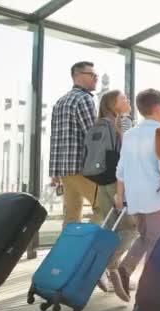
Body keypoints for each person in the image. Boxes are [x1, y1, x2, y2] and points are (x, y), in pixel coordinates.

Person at [112, 89, 160, 302]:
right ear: (157, 108)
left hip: (135, 198)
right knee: (157, 244)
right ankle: (151, 295)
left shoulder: (130, 134)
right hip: (155, 198)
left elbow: (121, 169)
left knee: (146, 238)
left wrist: (120, 196)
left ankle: (125, 270)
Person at [94, 90, 138, 296]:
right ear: (113, 105)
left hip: (101, 183)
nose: (128, 101)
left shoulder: (100, 123)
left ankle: (114, 276)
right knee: (131, 228)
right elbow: (128, 154)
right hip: (118, 182)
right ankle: (106, 266)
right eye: (123, 99)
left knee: (112, 230)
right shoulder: (125, 121)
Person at [49, 61, 100, 228]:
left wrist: (54, 171)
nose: (95, 78)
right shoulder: (84, 99)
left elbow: (55, 139)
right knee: (105, 208)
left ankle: (69, 252)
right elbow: (93, 135)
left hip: (66, 172)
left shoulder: (60, 102)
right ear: (77, 76)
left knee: (71, 217)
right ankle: (90, 247)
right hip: (82, 168)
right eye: (91, 75)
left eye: (96, 75)